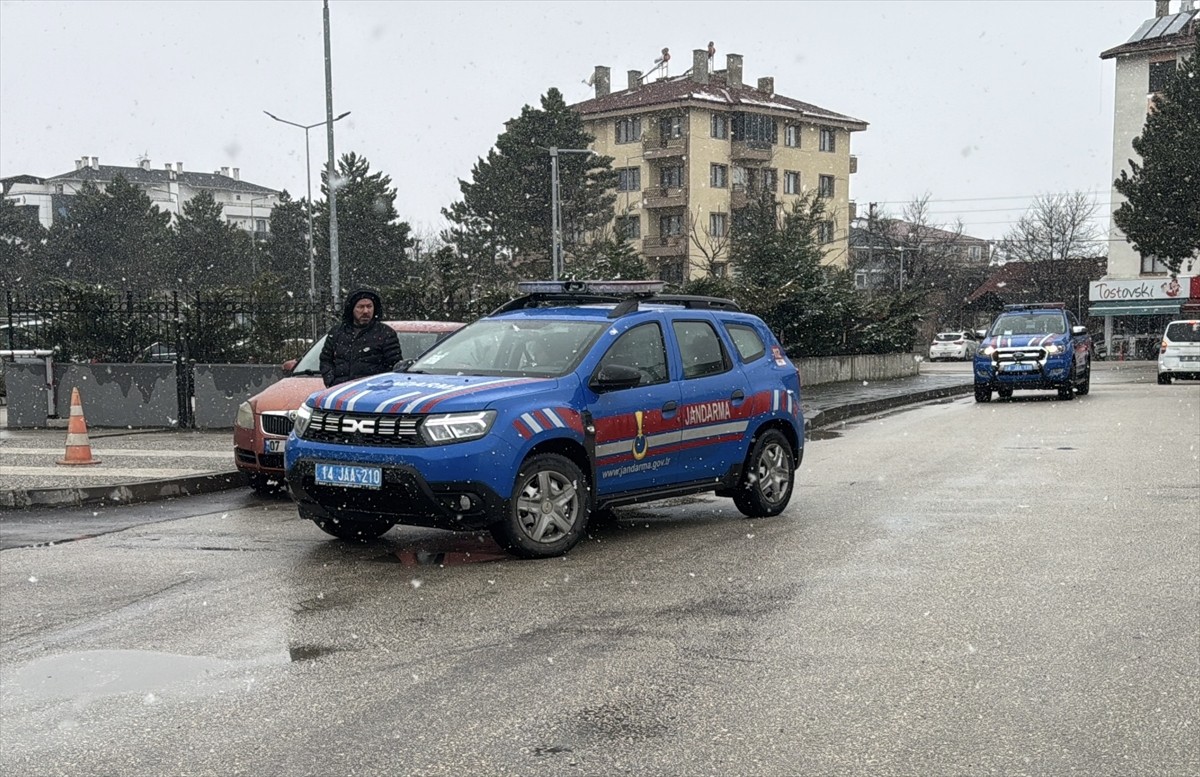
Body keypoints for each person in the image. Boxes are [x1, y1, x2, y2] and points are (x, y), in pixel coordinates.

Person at [319, 288, 402, 387]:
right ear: (352, 309)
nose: (366, 311)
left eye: (369, 306)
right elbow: (326, 360)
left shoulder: (385, 333)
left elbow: (394, 365)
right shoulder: (337, 332)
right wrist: (331, 381)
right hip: (341, 390)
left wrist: (379, 386)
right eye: (361, 307)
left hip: (372, 391)